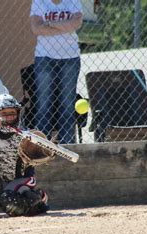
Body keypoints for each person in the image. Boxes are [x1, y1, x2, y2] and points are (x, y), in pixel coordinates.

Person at [30, 0, 83, 144]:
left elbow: (76, 24)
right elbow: (36, 28)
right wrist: (66, 25)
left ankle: (69, 146)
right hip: (44, 58)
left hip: (70, 58)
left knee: (67, 105)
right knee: (43, 105)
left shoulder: (73, 1)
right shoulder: (39, 2)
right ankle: (41, 147)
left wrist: (48, 24)